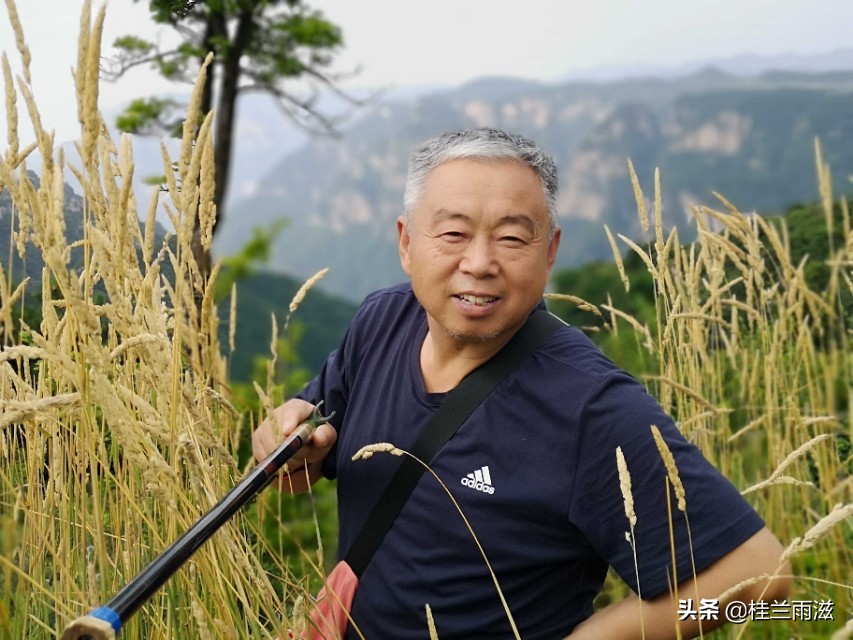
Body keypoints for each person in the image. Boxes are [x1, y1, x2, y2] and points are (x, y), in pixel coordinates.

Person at [252, 128, 791, 639]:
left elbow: (762, 576)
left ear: (550, 251)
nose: (480, 263)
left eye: (511, 238)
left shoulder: (588, 407)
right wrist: (289, 440)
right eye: (454, 233)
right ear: (406, 242)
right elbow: (305, 467)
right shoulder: (381, 323)